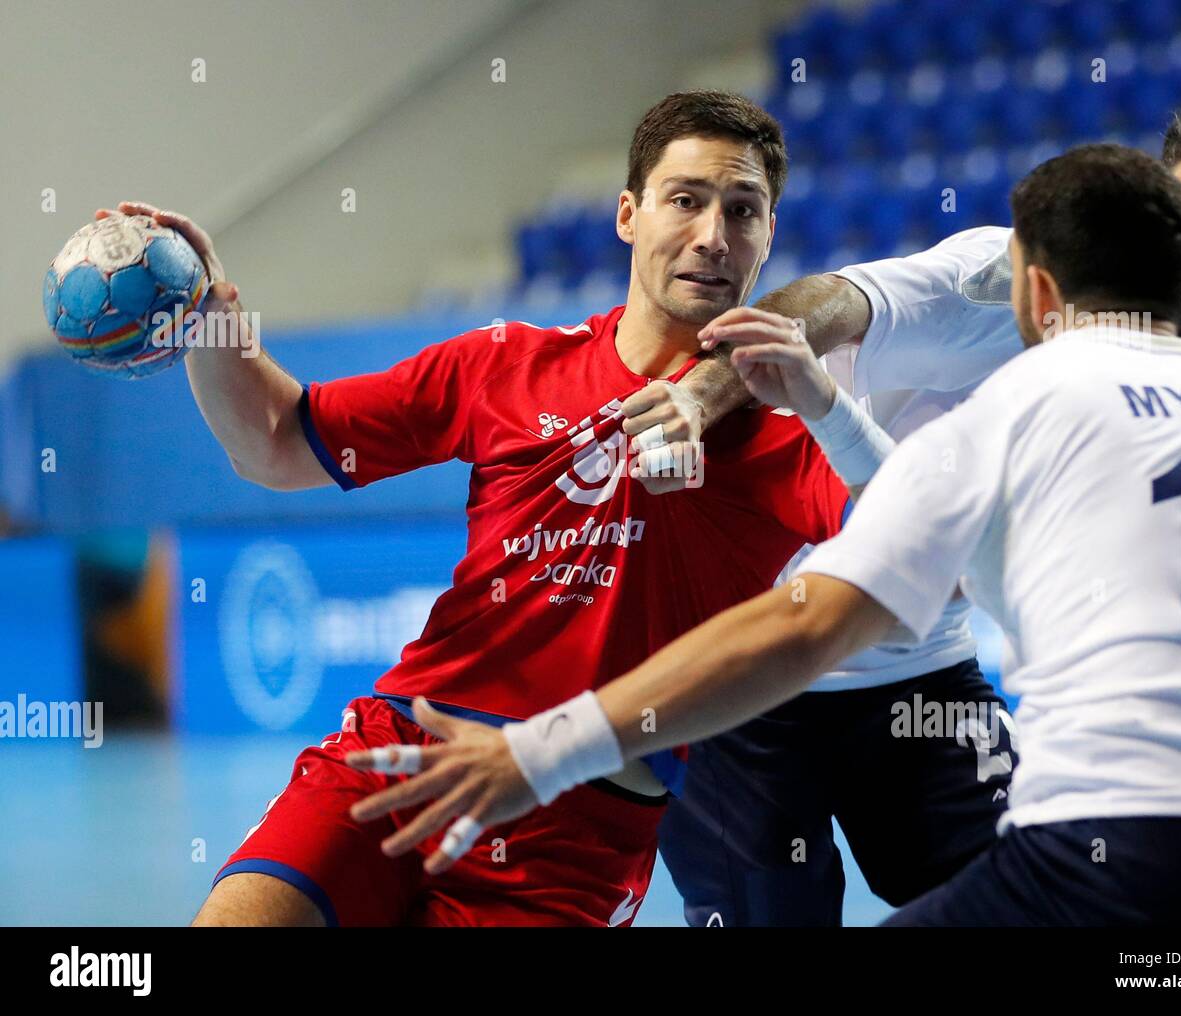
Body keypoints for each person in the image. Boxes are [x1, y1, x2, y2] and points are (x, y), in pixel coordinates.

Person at [387, 143, 1181, 925]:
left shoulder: (1018, 406)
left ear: (1038, 289)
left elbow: (810, 621)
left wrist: (538, 752)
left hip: (1106, 843)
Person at [103, 90, 858, 926]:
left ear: (768, 237)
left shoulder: (795, 435)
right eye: (685, 200)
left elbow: (914, 546)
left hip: (576, 829)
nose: (712, 236)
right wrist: (214, 317)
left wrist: (827, 400)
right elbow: (276, 441)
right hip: (401, 757)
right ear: (627, 216)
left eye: (742, 211)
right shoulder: (506, 365)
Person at [646, 97, 1181, 926]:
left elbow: (945, 583)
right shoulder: (1010, 279)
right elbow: (827, 301)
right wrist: (698, 396)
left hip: (919, 674)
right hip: (755, 667)